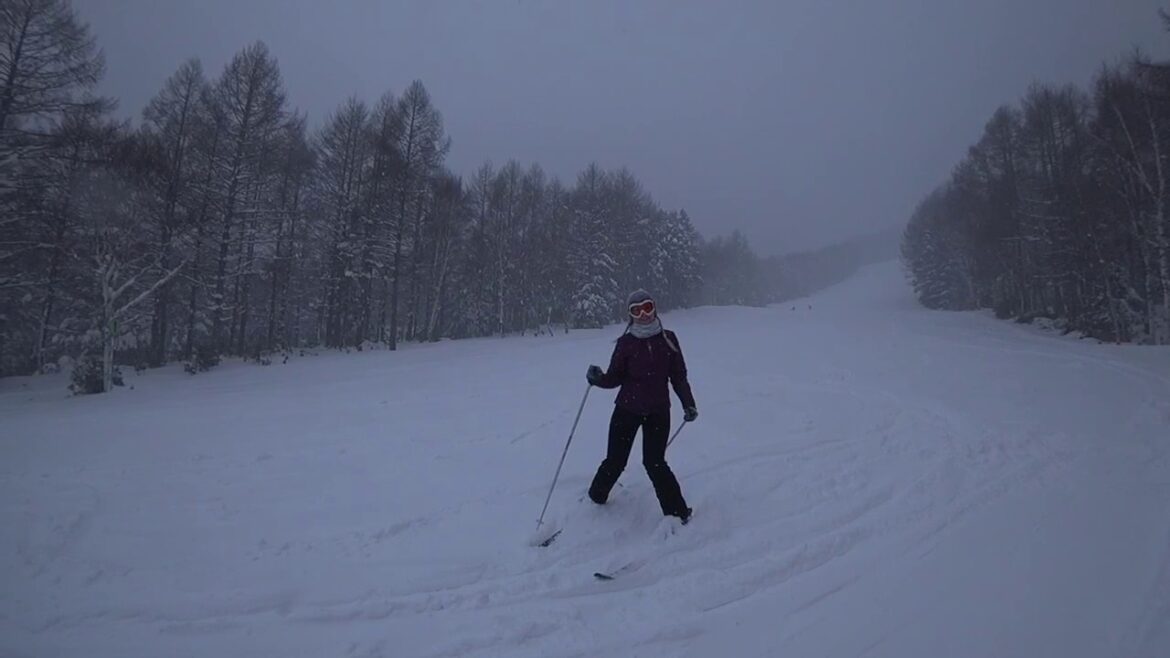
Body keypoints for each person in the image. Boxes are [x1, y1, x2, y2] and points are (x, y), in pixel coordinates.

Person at [585, 289, 698, 523]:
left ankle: (678, 513)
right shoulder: (626, 343)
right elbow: (615, 377)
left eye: (647, 307)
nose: (644, 314)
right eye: (636, 310)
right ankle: (596, 497)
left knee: (654, 462)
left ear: (655, 307)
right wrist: (598, 379)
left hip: (658, 412)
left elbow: (678, 376)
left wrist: (688, 404)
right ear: (630, 315)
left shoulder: (668, 339)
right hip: (626, 410)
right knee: (615, 460)